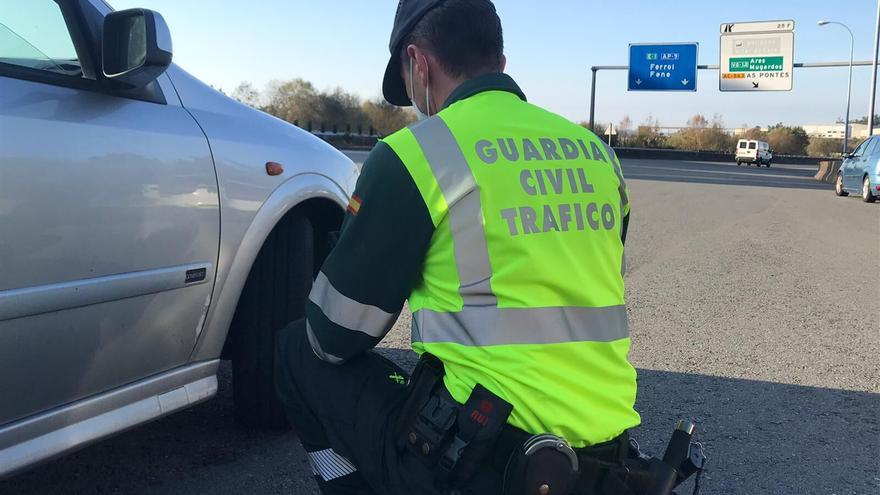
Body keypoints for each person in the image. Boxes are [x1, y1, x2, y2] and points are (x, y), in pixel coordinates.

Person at [274, 1, 639, 494]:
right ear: (501, 65)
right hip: (607, 464)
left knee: (296, 349)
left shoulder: (417, 154)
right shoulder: (598, 154)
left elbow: (333, 336)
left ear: (418, 64)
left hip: (481, 464)